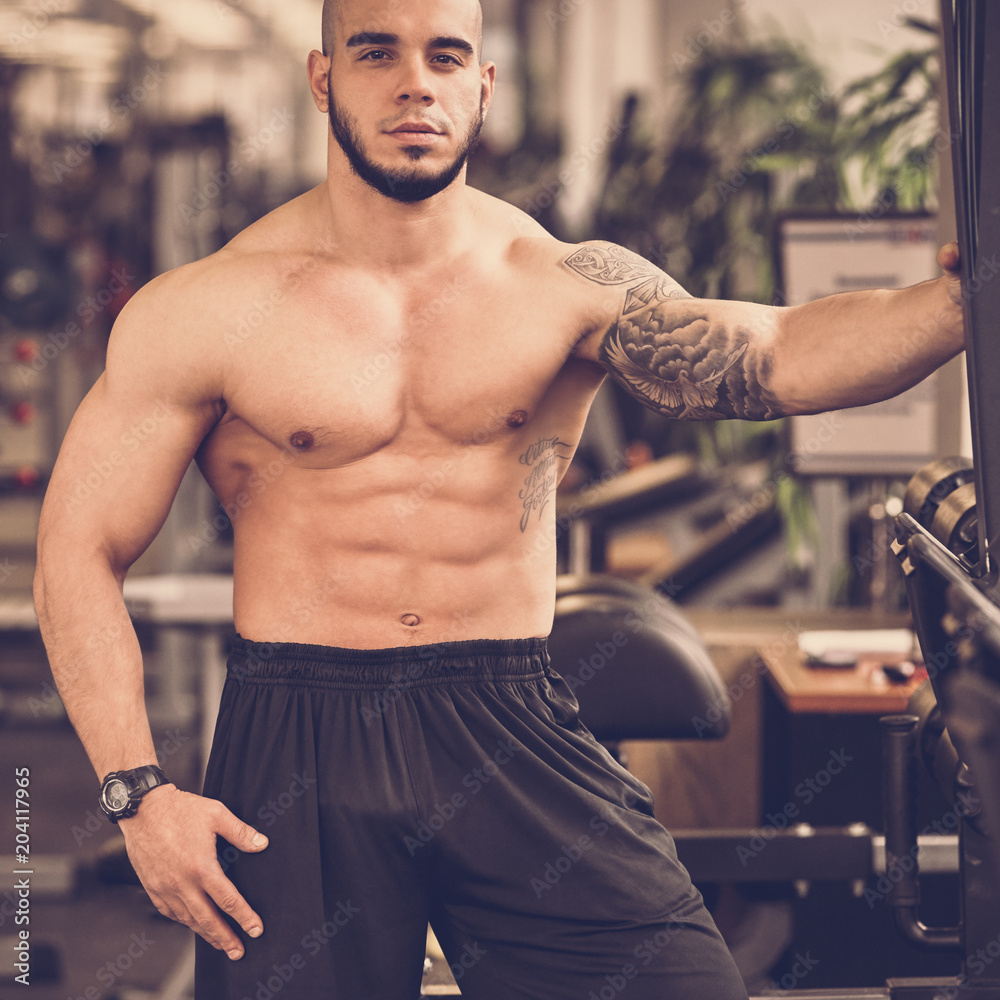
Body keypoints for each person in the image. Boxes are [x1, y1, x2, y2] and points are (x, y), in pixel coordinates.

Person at [34, 0, 965, 996]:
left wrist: (960, 300)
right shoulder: (209, 306)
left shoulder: (560, 284)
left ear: (484, 83)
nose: (413, 84)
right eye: (376, 53)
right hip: (298, 733)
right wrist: (138, 796)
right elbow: (76, 553)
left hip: (507, 715)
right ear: (321, 79)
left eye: (446, 56)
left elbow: (778, 355)